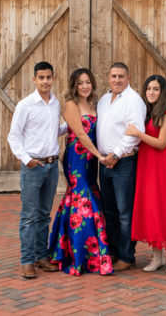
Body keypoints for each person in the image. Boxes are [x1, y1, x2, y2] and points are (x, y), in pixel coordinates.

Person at [47, 68, 114, 276]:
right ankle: (81, 256)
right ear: (74, 86)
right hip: (77, 158)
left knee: (82, 197)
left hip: (91, 160)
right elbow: (81, 135)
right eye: (80, 83)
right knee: (83, 200)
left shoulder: (94, 104)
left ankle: (72, 249)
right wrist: (100, 156)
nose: (85, 86)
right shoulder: (70, 105)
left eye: (88, 82)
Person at [126, 74, 166, 273]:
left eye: (155, 89)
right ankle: (157, 254)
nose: (151, 93)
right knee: (150, 207)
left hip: (159, 166)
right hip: (145, 164)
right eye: (148, 89)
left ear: (162, 92)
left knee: (162, 207)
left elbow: (161, 143)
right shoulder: (146, 112)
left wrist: (138, 134)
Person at [7, 61, 62, 279]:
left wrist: (77, 125)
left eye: (49, 77)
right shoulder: (26, 105)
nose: (45, 81)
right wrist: (26, 159)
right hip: (33, 166)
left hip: (52, 165)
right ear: (34, 79)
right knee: (29, 215)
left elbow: (54, 130)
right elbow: (14, 136)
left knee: (43, 215)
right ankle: (27, 260)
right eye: (41, 77)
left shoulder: (56, 103)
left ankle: (41, 256)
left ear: (53, 78)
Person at [95, 61, 147, 271]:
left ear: (128, 78)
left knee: (125, 212)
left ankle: (127, 256)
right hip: (104, 162)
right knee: (109, 211)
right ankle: (114, 251)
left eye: (121, 76)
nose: (117, 80)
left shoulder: (133, 100)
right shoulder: (104, 99)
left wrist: (116, 155)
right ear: (108, 78)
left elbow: (135, 133)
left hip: (123, 162)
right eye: (113, 76)